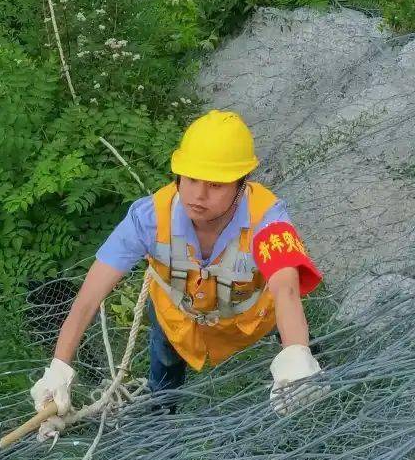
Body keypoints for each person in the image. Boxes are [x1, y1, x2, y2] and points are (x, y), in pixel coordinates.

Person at [31, 110, 325, 419]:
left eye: (215, 185)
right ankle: (162, 413)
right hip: (177, 320)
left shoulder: (267, 219)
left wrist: (296, 353)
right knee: (166, 361)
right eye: (191, 179)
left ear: (242, 185)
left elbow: (287, 289)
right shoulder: (148, 219)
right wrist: (59, 366)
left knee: (291, 335)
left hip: (253, 313)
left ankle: (304, 357)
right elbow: (89, 296)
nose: (198, 195)